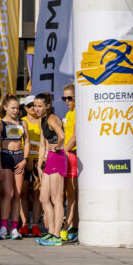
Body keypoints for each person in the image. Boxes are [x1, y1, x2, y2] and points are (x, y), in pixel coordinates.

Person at [0, 95, 30, 240]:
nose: (15, 111)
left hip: (19, 157)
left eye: (17, 108)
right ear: (5, 107)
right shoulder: (0, 124)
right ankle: (3, 227)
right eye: (13, 108)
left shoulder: (23, 123)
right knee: (9, 193)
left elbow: (26, 142)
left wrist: (25, 160)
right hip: (5, 157)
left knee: (18, 194)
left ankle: (14, 228)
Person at [35, 92, 67, 246]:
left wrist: (58, 148)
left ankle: (56, 235)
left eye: (40, 106)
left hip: (58, 158)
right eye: (35, 106)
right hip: (50, 160)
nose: (36, 109)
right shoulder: (42, 120)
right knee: (43, 198)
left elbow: (62, 135)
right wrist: (39, 164)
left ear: (48, 106)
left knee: (56, 198)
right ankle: (51, 232)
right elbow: (42, 144)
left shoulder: (52, 118)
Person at [20, 95, 43, 238]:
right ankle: (24, 224)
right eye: (29, 106)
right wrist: (25, 159)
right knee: (23, 194)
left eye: (34, 105)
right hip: (24, 161)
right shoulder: (21, 122)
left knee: (36, 195)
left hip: (38, 162)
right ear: (25, 108)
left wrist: (39, 162)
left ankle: (34, 225)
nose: (33, 108)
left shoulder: (42, 121)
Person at [61, 84, 78, 242]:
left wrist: (63, 151)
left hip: (73, 153)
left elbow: (75, 135)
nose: (67, 101)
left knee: (72, 194)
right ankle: (72, 225)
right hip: (67, 153)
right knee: (69, 194)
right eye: (64, 98)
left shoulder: (78, 112)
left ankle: (72, 227)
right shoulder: (69, 112)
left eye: (70, 98)